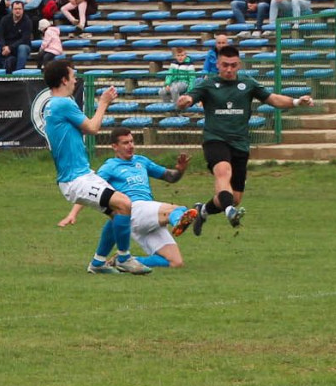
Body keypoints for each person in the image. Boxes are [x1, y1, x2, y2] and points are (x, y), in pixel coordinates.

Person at [42, 58, 197, 274]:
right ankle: (124, 258)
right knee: (125, 204)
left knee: (119, 213)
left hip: (80, 175)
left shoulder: (51, 105)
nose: (75, 80)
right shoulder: (63, 103)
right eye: (72, 75)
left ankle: (98, 263)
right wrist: (104, 102)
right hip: (75, 178)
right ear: (63, 79)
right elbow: (93, 128)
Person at [175, 44, 313, 234]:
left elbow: (272, 99)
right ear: (217, 64)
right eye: (225, 65)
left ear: (239, 64)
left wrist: (297, 102)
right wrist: (185, 101)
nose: (229, 69)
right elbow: (188, 99)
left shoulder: (247, 83)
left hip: (240, 143)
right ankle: (231, 212)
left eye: (233, 65)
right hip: (215, 139)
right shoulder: (208, 84)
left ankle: (203, 210)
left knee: (235, 196)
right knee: (223, 172)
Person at [61, 129, 193, 269]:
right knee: (177, 209)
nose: (130, 146)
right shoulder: (109, 166)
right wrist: (73, 213)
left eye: (131, 141)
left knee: (175, 262)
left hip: (148, 215)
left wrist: (180, 170)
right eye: (125, 143)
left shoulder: (141, 161)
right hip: (133, 209)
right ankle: (179, 220)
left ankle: (122, 261)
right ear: (114, 146)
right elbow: (91, 190)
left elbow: (170, 177)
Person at [0, 0, 32, 73]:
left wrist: (10, 47)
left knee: (22, 48)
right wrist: (4, 47)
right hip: (6, 46)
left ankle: (19, 73)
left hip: (20, 46)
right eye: (15, 9)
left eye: (19, 9)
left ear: (23, 10)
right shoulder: (5, 19)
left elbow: (24, 39)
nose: (17, 11)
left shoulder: (27, 21)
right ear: (12, 10)